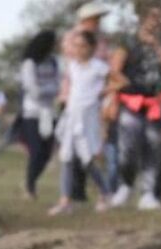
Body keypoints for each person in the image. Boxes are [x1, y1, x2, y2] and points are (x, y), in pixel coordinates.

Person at [109, 6, 161, 211]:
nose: (156, 21)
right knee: (128, 147)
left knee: (153, 145)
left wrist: (157, 45)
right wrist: (125, 85)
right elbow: (114, 70)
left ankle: (148, 193)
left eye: (159, 16)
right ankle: (125, 185)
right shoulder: (128, 41)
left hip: (157, 102)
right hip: (132, 102)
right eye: (152, 16)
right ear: (142, 18)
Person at [49, 30, 113, 215]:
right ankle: (65, 200)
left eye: (82, 46)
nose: (78, 50)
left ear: (92, 48)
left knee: (87, 159)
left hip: (87, 118)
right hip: (72, 115)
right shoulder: (73, 66)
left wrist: (101, 93)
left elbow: (121, 81)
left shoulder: (99, 67)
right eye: (76, 46)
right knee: (66, 156)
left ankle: (105, 192)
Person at [62, 2, 112, 202]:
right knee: (69, 153)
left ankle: (101, 192)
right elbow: (76, 65)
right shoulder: (75, 39)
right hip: (74, 103)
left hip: (90, 107)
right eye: (95, 19)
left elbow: (106, 71)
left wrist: (102, 93)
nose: (98, 22)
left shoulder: (100, 42)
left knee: (87, 154)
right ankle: (69, 196)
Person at [18, 30, 61, 199]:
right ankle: (30, 188)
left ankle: (30, 180)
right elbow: (32, 89)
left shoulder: (53, 62)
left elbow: (58, 85)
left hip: (50, 112)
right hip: (32, 112)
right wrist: (49, 90)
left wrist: (47, 90)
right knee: (35, 150)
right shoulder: (29, 63)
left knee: (46, 152)